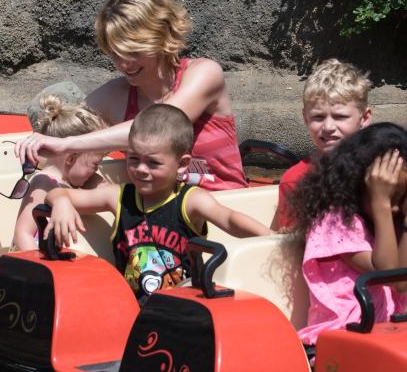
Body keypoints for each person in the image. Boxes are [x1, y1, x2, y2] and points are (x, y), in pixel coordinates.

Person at [15, 0, 247, 190]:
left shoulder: (204, 74)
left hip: (225, 207)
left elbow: (158, 128)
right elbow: (60, 135)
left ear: (161, 37)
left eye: (134, 51)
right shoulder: (114, 96)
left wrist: (66, 144)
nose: (124, 64)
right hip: (158, 218)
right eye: (116, 53)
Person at [46, 104, 273, 299]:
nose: (141, 169)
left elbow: (230, 219)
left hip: (182, 307)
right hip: (131, 308)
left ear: (182, 164)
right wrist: (61, 203)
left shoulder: (191, 201)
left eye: (153, 163)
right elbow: (57, 193)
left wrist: (272, 239)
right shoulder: (118, 196)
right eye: (133, 159)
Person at [287, 123, 407, 347]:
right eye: (387, 197)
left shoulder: (402, 223)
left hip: (388, 337)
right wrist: (381, 203)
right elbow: (388, 273)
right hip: (341, 340)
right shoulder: (334, 221)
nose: (394, 209)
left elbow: (402, 284)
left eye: (402, 198)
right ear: (356, 185)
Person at [274, 59, 373, 229]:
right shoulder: (295, 180)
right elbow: (290, 243)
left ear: (364, 118)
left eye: (340, 117)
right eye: (318, 117)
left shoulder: (381, 172)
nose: (328, 127)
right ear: (306, 118)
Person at [7, 92, 108, 252]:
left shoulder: (75, 181)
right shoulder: (44, 182)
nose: (97, 169)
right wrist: (40, 271)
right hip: (35, 263)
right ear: (71, 158)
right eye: (96, 163)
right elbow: (22, 234)